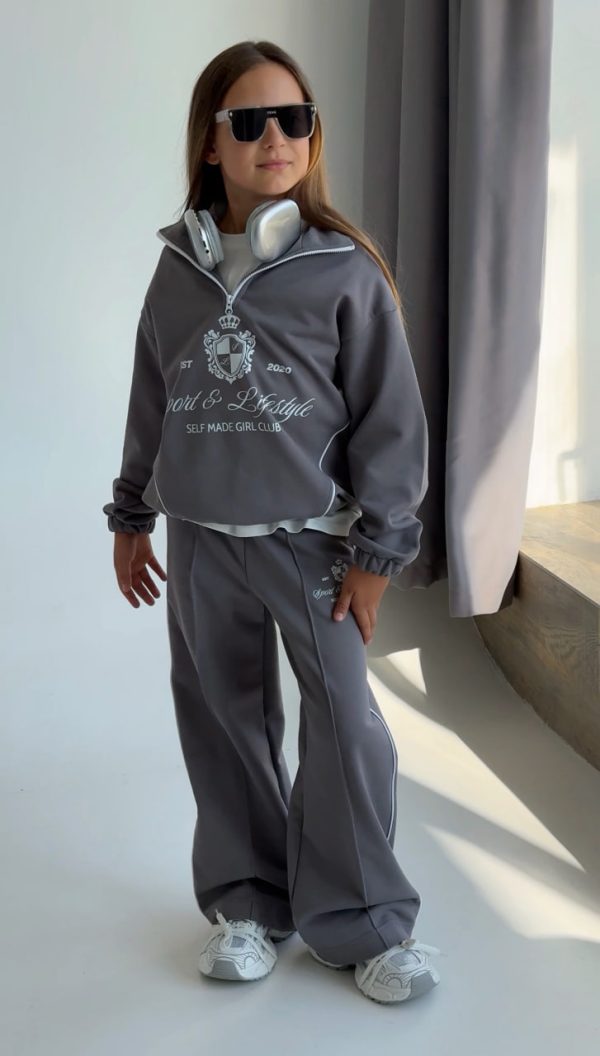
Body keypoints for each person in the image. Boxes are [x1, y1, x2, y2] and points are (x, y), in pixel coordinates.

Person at [103, 39, 441, 1005]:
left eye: (294, 119)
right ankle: (248, 904)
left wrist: (379, 550)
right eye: (250, 122)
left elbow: (392, 420)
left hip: (312, 545)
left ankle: (366, 921)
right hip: (201, 545)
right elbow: (152, 398)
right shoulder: (178, 269)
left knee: (346, 730)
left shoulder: (343, 268)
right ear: (211, 143)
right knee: (222, 722)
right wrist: (131, 513)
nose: (276, 139)